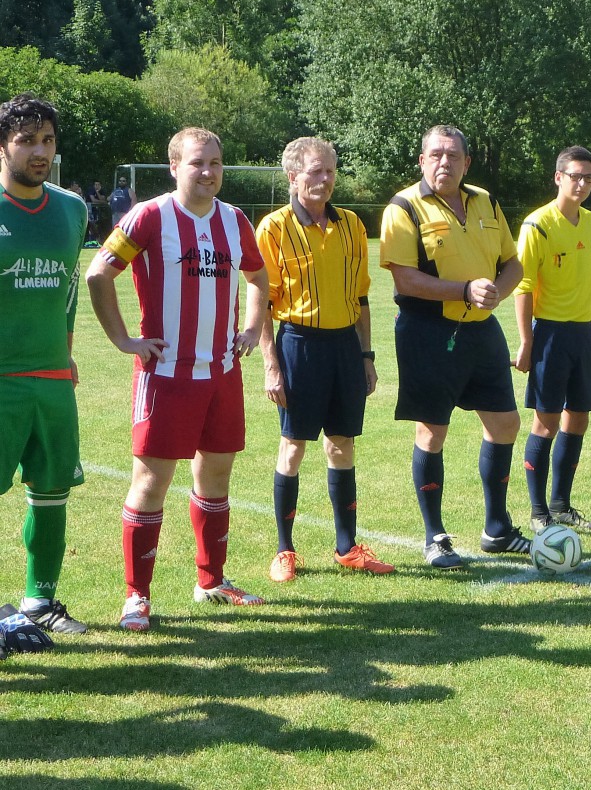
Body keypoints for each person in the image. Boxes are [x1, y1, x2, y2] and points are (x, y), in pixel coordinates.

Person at [86, 127, 269, 631]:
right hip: (165, 374)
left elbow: (258, 278)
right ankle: (135, 597)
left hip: (223, 373)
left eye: (215, 162)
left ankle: (211, 580)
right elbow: (99, 273)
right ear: (174, 167)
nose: (207, 171)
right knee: (151, 482)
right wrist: (125, 341)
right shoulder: (149, 216)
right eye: (196, 163)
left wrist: (252, 327)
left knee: (216, 476)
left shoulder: (234, 221)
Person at [380, 125, 526, 570]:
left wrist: (496, 291)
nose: (445, 162)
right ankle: (435, 537)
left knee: (505, 424)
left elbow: (513, 264)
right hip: (427, 332)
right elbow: (404, 278)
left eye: (454, 155)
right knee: (432, 432)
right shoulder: (403, 207)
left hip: (482, 331)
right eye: (436, 154)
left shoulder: (486, 201)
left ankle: (496, 528)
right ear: (422, 160)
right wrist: (464, 289)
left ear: (467, 162)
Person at [255, 137, 392, 583]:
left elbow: (362, 297)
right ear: (293, 177)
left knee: (342, 443)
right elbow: (263, 305)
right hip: (299, 344)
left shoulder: (352, 225)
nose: (326, 179)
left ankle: (347, 547)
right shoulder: (273, 228)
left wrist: (367, 355)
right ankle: (284, 549)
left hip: (345, 348)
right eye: (316, 171)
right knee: (293, 446)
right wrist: (271, 365)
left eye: (331, 170)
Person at [0, 94, 89, 638]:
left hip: (52, 376)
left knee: (52, 490)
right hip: (1, 378)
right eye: (27, 140)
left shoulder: (71, 209)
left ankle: (40, 601)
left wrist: (68, 353)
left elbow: (71, 292)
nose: (40, 152)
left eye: (48, 140)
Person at [514, 147, 591, 534]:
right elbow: (523, 285)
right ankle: (538, 513)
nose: (581, 184)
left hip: (582, 333)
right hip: (549, 332)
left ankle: (561, 505)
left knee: (578, 418)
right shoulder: (537, 225)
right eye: (575, 176)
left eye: (588, 178)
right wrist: (526, 341)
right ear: (558, 178)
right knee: (546, 422)